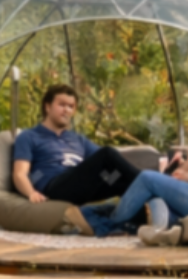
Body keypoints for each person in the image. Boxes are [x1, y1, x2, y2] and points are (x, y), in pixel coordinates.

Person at [72, 83, 188, 241]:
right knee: (152, 196)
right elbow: (187, 167)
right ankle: (152, 226)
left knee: (147, 179)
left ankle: (104, 225)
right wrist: (172, 175)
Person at [12, 85, 143, 222]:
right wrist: (31, 193)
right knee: (107, 153)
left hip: (81, 186)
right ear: (47, 107)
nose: (66, 110)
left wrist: (113, 180)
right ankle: (148, 180)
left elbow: (105, 166)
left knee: (123, 184)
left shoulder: (78, 139)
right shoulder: (29, 136)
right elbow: (19, 173)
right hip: (56, 187)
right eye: (62, 105)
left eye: (71, 106)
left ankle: (147, 222)